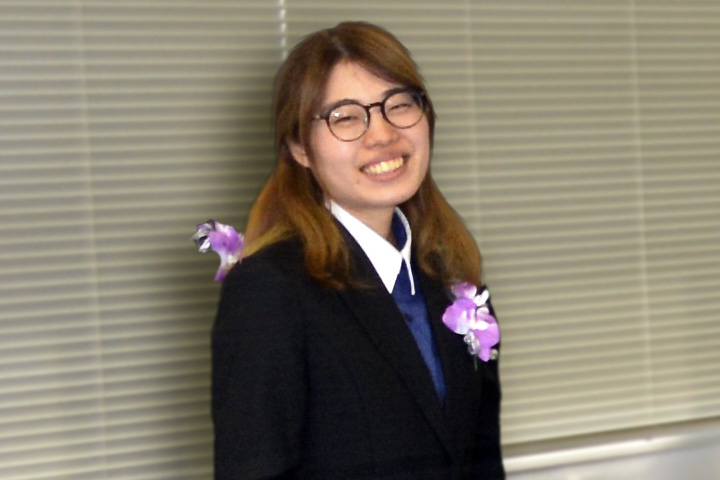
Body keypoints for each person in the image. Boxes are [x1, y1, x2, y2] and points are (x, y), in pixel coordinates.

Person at [211, 21, 504, 480]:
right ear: (299, 147)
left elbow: (482, 463)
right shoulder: (269, 290)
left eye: (399, 105)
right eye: (345, 117)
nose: (382, 134)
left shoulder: (452, 279)